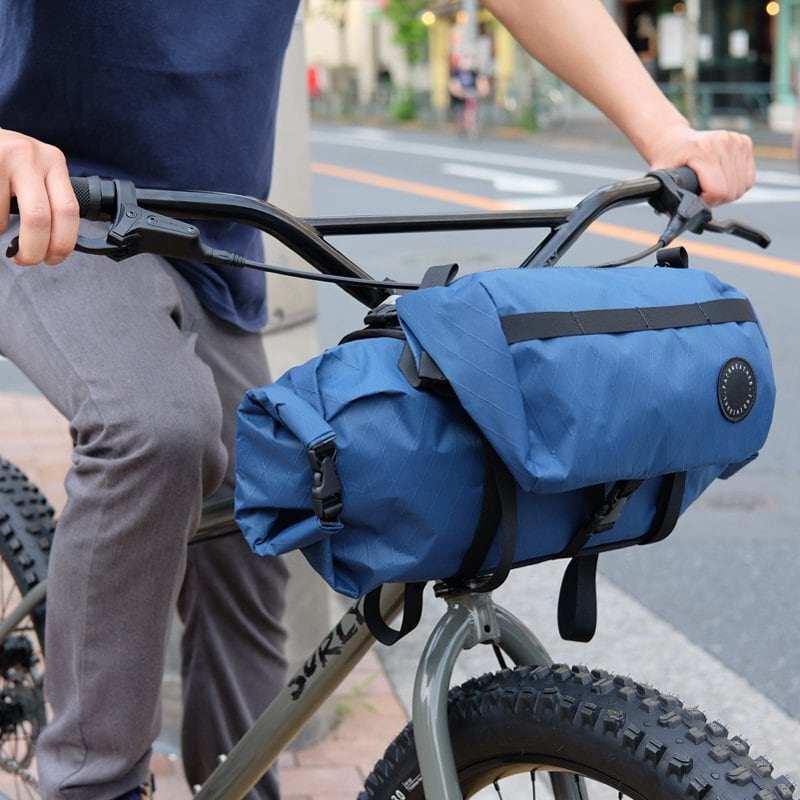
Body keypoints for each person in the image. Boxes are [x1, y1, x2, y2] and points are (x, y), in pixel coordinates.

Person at [0, 1, 755, 798]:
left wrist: (664, 130)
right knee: (156, 428)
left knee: (262, 519)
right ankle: (91, 783)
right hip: (50, 216)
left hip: (213, 246)